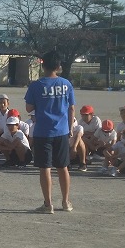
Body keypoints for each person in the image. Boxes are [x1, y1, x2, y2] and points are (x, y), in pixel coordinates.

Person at [25, 50, 75, 214]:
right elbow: (71, 108)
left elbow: (29, 108)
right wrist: (70, 128)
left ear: (43, 65)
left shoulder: (36, 85)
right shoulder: (66, 84)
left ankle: (48, 204)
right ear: (59, 66)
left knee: (45, 167)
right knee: (63, 167)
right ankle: (66, 201)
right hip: (62, 130)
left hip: (43, 131)